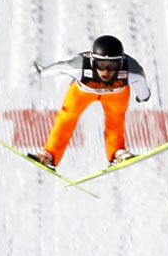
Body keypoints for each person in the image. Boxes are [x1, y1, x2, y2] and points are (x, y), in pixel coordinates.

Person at [29, 34, 151, 169]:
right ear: (93, 61)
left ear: (121, 62)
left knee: (116, 119)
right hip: (83, 92)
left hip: (115, 94)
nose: (106, 71)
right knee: (66, 117)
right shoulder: (80, 66)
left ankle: (117, 152)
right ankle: (49, 154)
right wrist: (43, 72)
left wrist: (143, 96)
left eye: (112, 66)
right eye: (101, 64)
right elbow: (60, 68)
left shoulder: (132, 70)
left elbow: (141, 82)